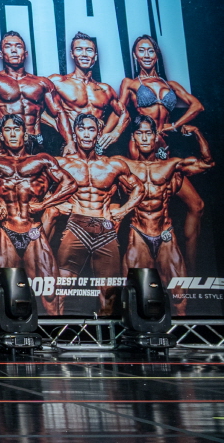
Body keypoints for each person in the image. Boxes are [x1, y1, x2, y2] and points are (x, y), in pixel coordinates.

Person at [0, 113, 77, 315]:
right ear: (2, 135)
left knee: (50, 294)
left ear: (25, 133)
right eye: (8, 130)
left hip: (34, 232)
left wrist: (44, 204)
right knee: (1, 292)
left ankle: (54, 334)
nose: (13, 134)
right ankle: (1, 333)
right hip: (6, 233)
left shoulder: (42, 160)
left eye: (17, 129)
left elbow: (70, 184)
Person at [117, 35, 205, 269]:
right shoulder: (130, 83)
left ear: (156, 55)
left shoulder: (171, 85)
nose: (146, 55)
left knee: (196, 205)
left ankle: (192, 269)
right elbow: (120, 114)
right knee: (143, 208)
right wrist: (109, 135)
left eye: (151, 51)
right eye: (141, 50)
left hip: (163, 149)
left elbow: (197, 106)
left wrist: (174, 125)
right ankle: (139, 266)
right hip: (140, 148)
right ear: (135, 55)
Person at [52, 113, 143, 316]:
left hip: (105, 229)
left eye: (91, 129)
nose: (86, 134)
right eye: (82, 129)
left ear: (98, 133)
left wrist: (123, 210)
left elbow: (139, 188)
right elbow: (35, 187)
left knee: (109, 293)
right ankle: (55, 332)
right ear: (75, 133)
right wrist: (54, 204)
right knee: (61, 288)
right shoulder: (62, 164)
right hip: (77, 225)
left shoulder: (113, 165)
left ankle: (107, 334)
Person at [121, 118, 213, 315]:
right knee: (135, 298)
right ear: (133, 137)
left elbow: (207, 162)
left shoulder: (171, 165)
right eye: (139, 134)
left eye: (148, 134)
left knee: (179, 299)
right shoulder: (124, 165)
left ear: (156, 137)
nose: (144, 138)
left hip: (164, 234)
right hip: (138, 233)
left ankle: (180, 333)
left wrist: (197, 132)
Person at [0, 31, 64, 150]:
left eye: (19, 46)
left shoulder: (42, 82)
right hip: (8, 141)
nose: (14, 50)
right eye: (8, 46)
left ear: (26, 53)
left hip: (36, 140)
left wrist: (70, 142)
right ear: (1, 54)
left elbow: (58, 114)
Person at [48, 33, 126, 155]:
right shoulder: (58, 82)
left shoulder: (105, 89)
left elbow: (123, 113)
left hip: (98, 147)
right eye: (79, 49)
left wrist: (115, 133)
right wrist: (59, 127)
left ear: (95, 56)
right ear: (72, 54)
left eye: (89, 50)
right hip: (72, 144)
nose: (84, 54)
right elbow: (35, 109)